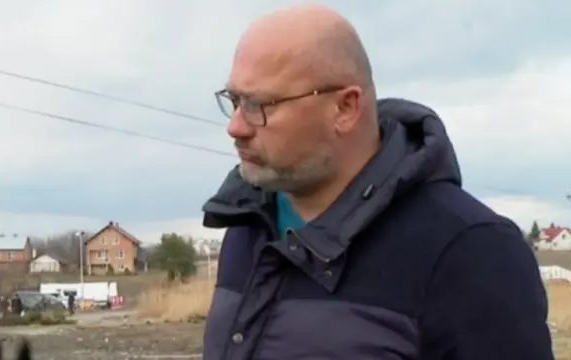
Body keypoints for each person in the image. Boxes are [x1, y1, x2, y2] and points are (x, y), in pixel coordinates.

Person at [202, 4, 553, 360]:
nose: (236, 127)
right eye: (235, 100)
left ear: (345, 108)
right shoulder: (248, 227)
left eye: (261, 104)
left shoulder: (472, 252)